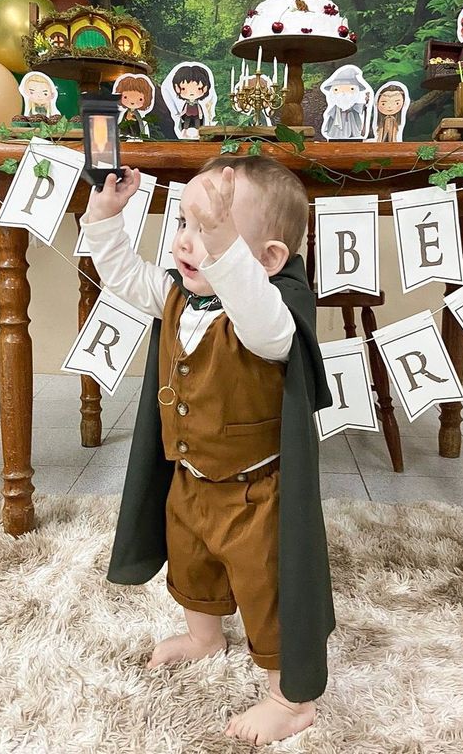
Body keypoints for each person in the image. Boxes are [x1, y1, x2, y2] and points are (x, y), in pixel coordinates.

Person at [80, 154, 334, 746]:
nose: (188, 244)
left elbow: (259, 317)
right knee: (192, 564)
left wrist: (224, 251)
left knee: (265, 588)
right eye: (185, 226)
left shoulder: (268, 317)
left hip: (254, 494)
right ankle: (204, 635)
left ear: (269, 259)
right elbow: (121, 275)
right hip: (190, 477)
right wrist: (103, 218)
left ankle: (288, 699)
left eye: (211, 231)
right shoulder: (178, 297)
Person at [319, 64, 373, 140]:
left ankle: (352, 134)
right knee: (336, 129)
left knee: (352, 128)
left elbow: (360, 108)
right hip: (338, 120)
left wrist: (366, 103)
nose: (344, 93)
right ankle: (337, 135)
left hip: (351, 118)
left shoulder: (352, 105)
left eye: (351, 89)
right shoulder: (336, 107)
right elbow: (331, 114)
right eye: (337, 90)